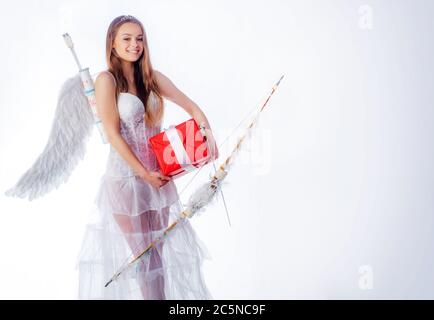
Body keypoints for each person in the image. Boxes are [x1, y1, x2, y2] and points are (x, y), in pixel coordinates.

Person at [76, 14, 217, 300]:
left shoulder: (151, 77)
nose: (135, 44)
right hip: (127, 180)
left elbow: (192, 107)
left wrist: (207, 136)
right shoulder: (106, 80)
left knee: (157, 256)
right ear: (112, 44)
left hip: (159, 177)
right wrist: (143, 174)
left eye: (139, 38)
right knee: (144, 257)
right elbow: (114, 136)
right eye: (126, 39)